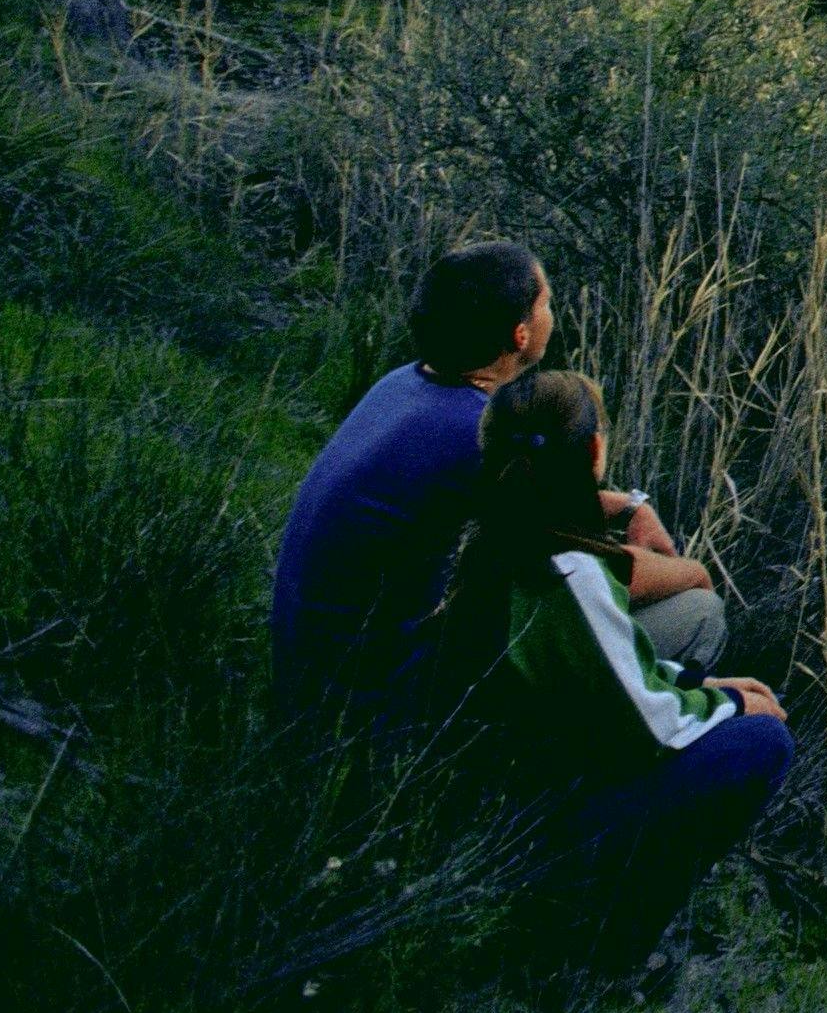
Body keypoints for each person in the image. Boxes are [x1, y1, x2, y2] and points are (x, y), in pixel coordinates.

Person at [271, 241, 721, 725]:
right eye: (545, 301)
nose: (554, 310)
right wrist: (690, 571)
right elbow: (574, 566)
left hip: (310, 672)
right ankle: (593, 761)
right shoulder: (474, 434)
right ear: (521, 334)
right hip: (372, 702)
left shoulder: (406, 384)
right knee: (698, 612)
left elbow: (556, 508)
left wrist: (631, 508)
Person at [439, 367, 790, 972]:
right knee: (763, 743)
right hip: (544, 805)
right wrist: (732, 706)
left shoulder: (492, 537)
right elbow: (651, 725)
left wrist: (699, 685)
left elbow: (602, 672)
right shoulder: (569, 575)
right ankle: (606, 946)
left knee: (714, 699)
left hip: (500, 776)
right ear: (596, 451)